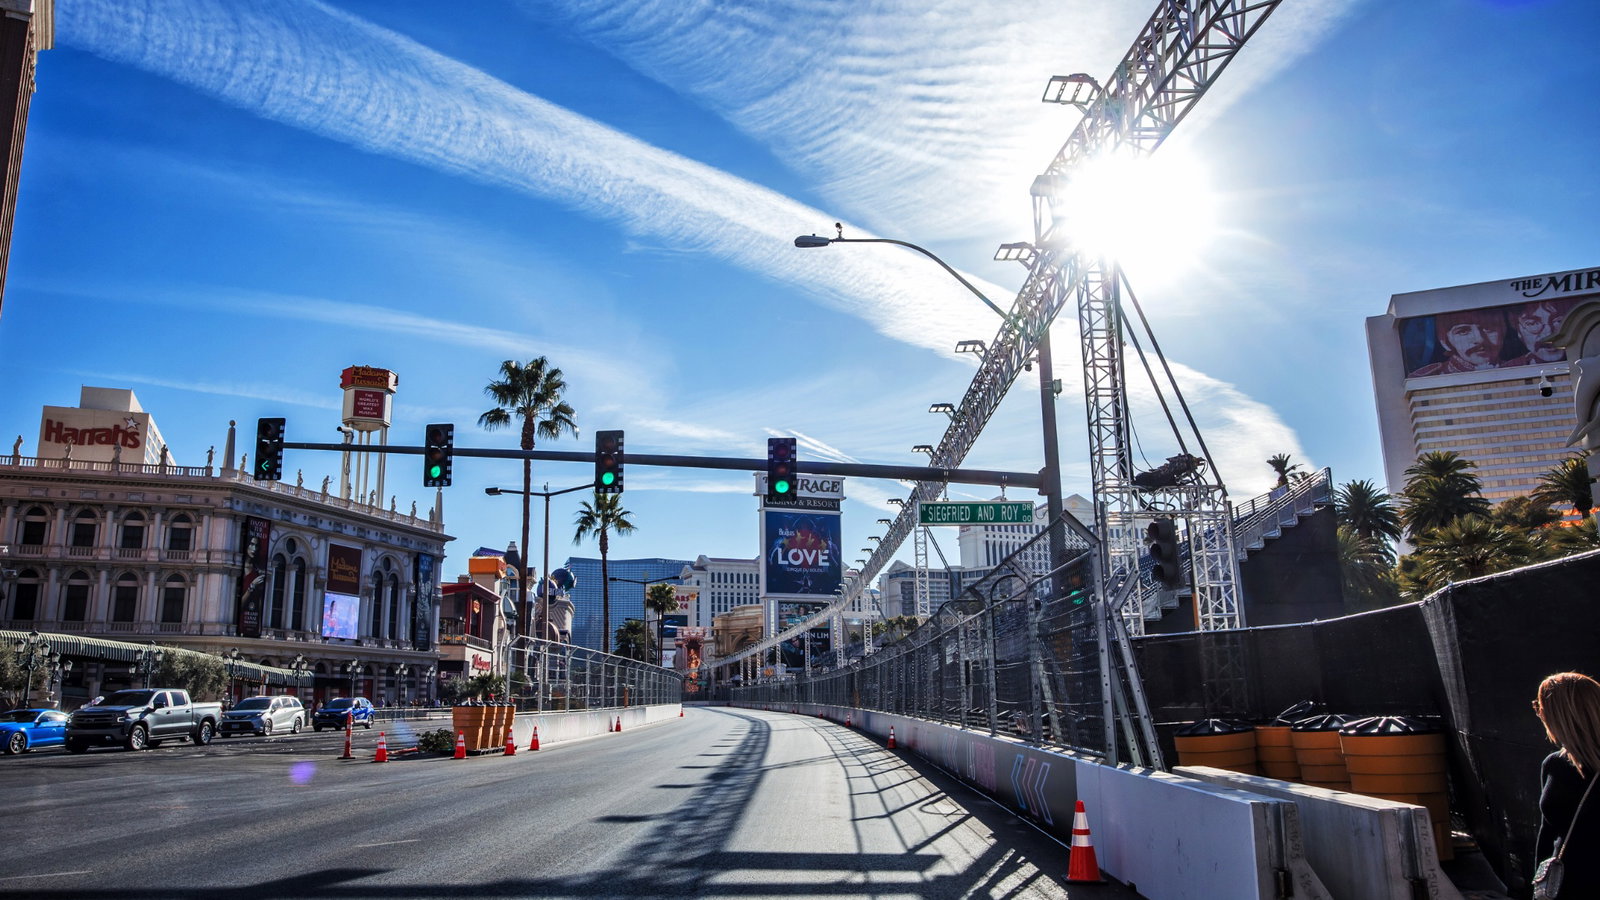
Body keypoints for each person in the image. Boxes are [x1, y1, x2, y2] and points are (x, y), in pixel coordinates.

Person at [1533, 672, 1600, 898]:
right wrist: (1538, 884)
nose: (1539, 714)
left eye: (1540, 707)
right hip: (1564, 885)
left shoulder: (1557, 767)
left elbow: (1547, 832)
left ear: (1559, 715)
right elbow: (1547, 832)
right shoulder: (1554, 764)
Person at [1410, 309, 1507, 376]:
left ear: (1503, 331)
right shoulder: (1427, 376)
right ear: (1445, 341)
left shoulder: (1516, 367)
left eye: (1488, 328)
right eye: (1463, 331)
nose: (1479, 339)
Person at [1502, 299, 1571, 368]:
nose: (1548, 334)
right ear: (1519, 333)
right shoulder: (1508, 369)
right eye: (1532, 324)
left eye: (1558, 321)